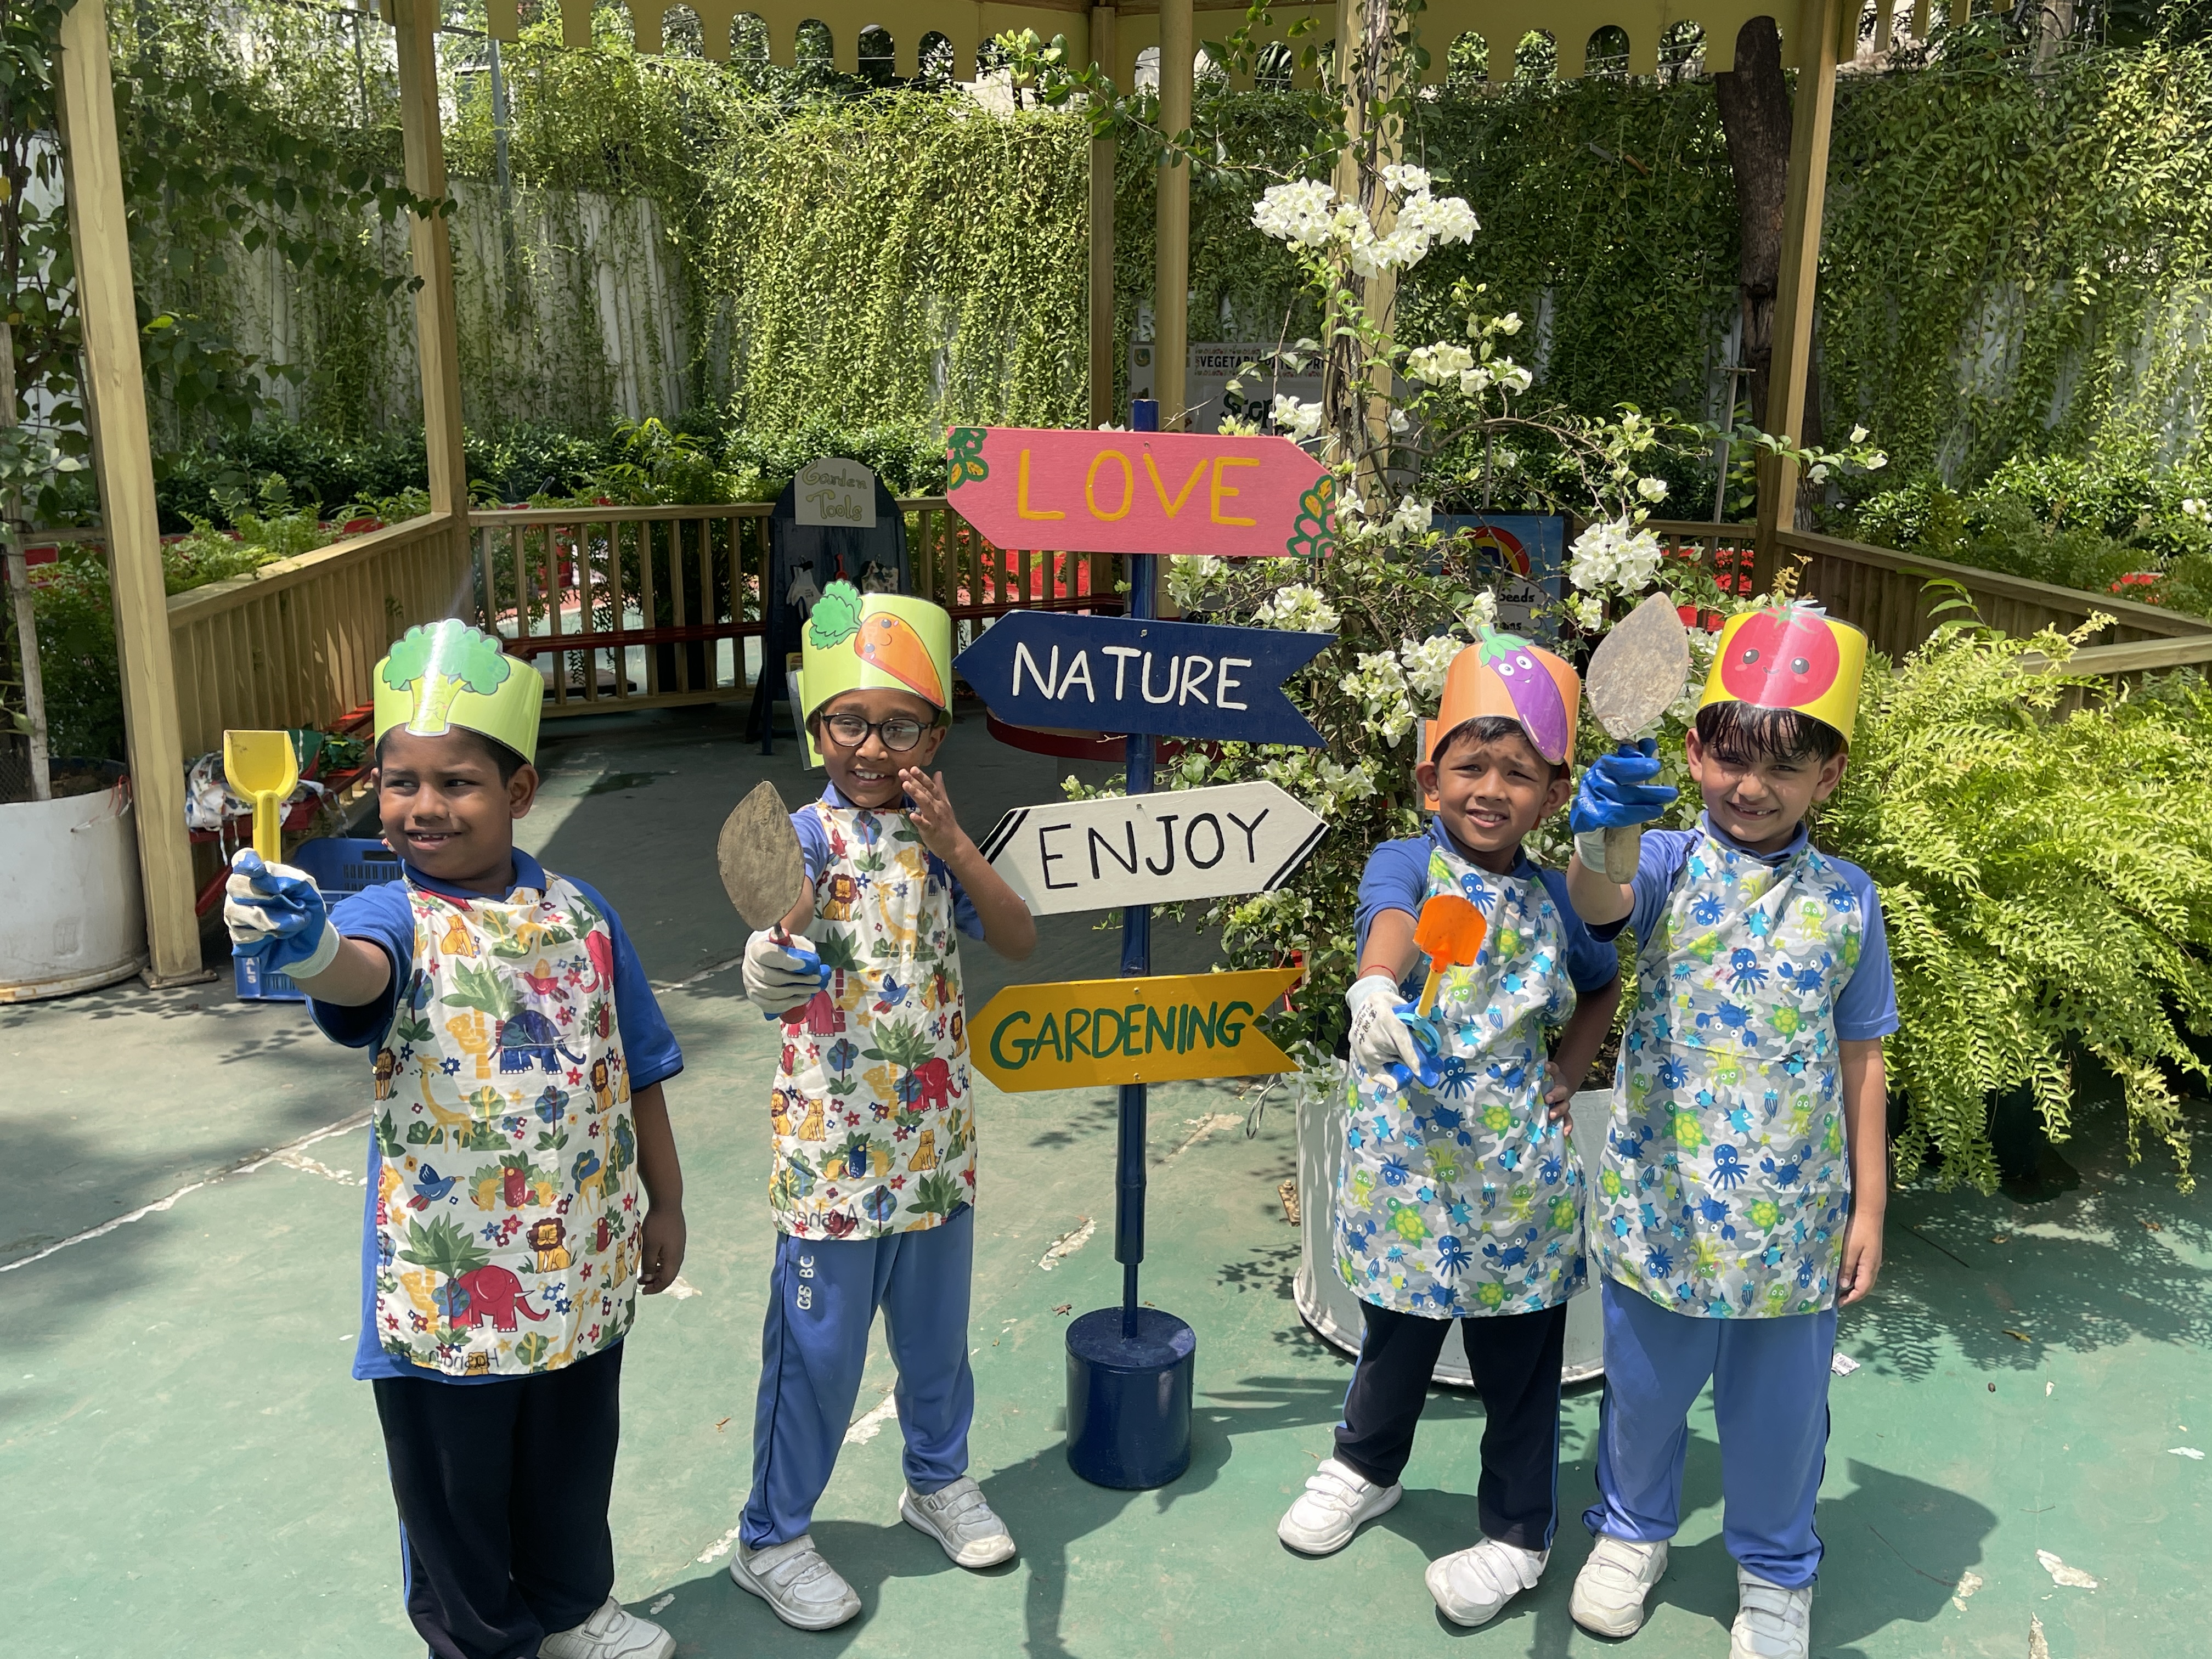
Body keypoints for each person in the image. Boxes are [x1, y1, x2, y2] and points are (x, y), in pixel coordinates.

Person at [223, 618, 685, 1659]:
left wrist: (669, 1200)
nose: (424, 806)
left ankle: (571, 1607)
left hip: (582, 1256)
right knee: (454, 1485)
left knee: (572, 1456)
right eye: (402, 783)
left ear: (519, 792)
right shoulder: (390, 913)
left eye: (457, 782)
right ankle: (483, 1641)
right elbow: (359, 977)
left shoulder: (583, 913)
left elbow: (641, 1067)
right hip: (449, 1284)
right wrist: (311, 946)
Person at [1560, 600, 1896, 1659]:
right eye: (1732, 759)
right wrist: (1600, 833)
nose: (1752, 787)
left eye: (1784, 768)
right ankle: (1631, 1531)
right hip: (1661, 1200)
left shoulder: (1850, 900)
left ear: (1828, 777)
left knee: (1780, 1417)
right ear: (1697, 752)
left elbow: (1864, 1057)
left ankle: (1777, 1570)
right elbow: (1601, 904)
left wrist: (1871, 1210)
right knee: (1644, 1395)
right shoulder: (1664, 861)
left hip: (1793, 1223)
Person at [1278, 628, 1622, 1629]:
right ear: (1431, 781)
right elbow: (1390, 918)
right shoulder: (1405, 861)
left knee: (1520, 1365)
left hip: (1517, 1177)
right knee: (1396, 1335)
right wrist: (1376, 987)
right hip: (1406, 1167)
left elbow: (1601, 986)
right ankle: (1365, 1467)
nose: (1491, 790)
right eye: (1470, 767)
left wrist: (1569, 1070)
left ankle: (1518, 1532)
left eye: (1519, 773)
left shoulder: (1557, 898)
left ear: (1552, 796)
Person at [730, 580, 1037, 1631]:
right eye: (849, 723)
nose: (871, 747)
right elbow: (781, 918)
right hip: (833, 1150)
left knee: (937, 1343)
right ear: (816, 726)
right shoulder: (807, 833)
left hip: (936, 1146)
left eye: (898, 726)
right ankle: (772, 1537)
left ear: (935, 736)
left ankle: (937, 1481)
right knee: (817, 1358)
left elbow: (1018, 938)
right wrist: (770, 956)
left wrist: (956, 845)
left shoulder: (939, 836)